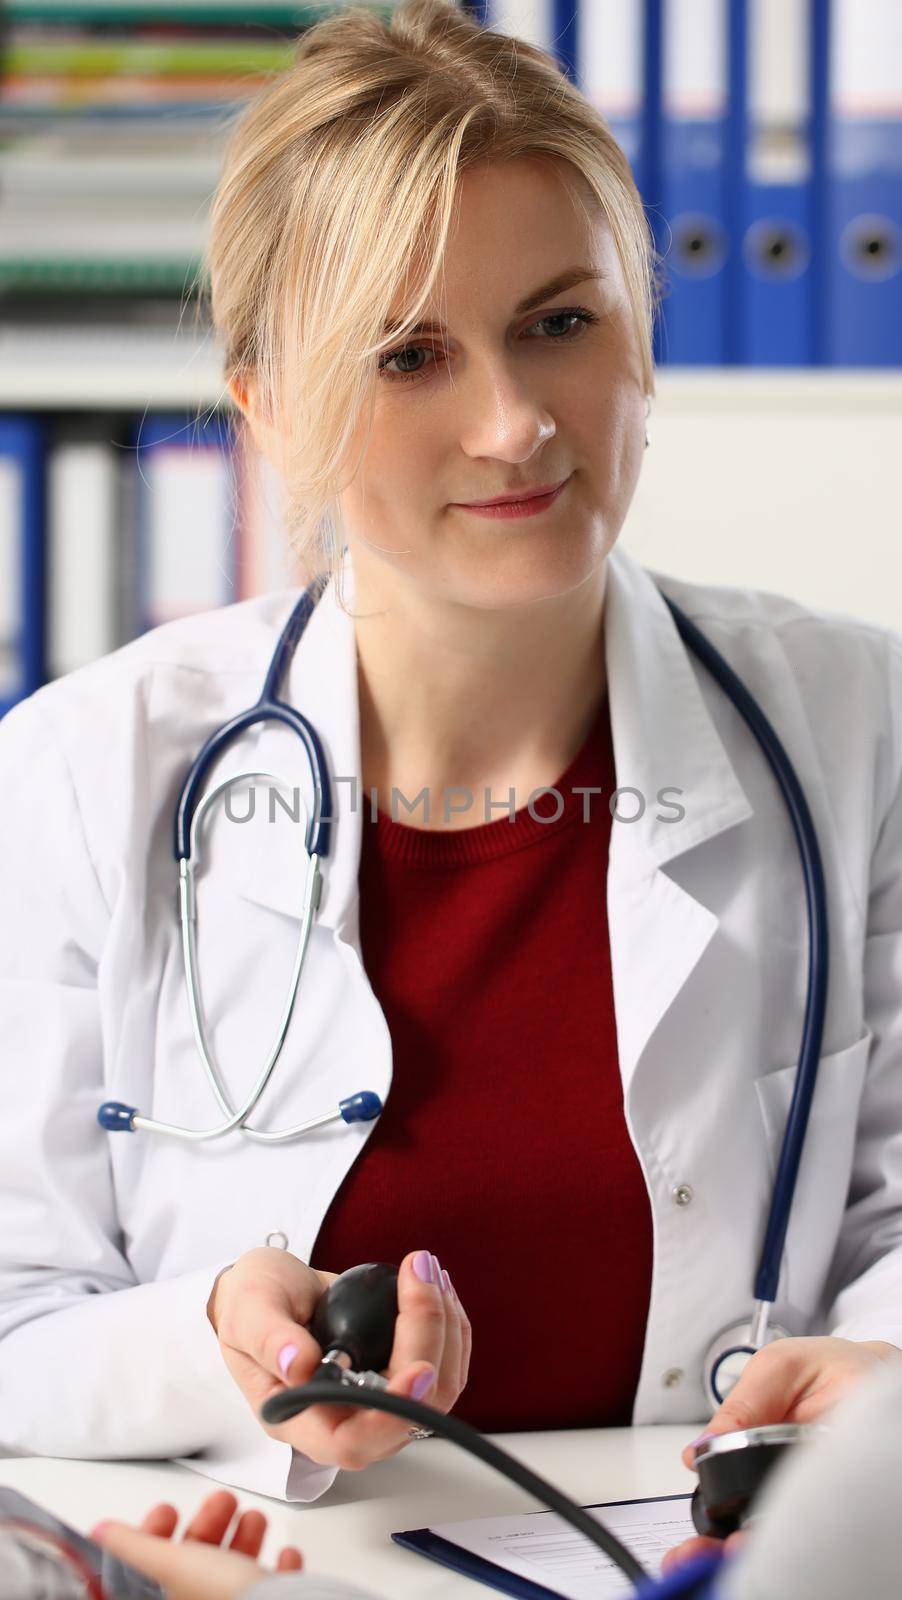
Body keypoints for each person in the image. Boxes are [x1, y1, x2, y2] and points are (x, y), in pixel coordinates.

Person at [0, 0, 900, 1516]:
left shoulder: (853, 725)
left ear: (641, 330)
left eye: (561, 322)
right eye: (410, 357)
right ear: (269, 410)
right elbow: (12, 1314)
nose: (513, 425)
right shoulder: (89, 774)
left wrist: (882, 1361)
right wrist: (207, 1338)